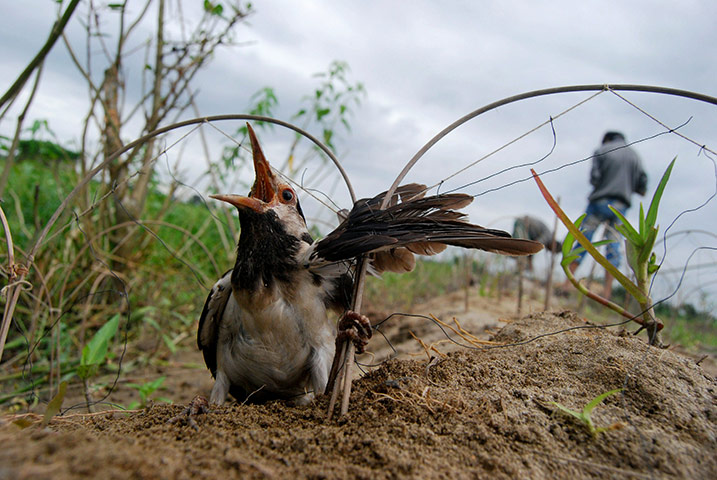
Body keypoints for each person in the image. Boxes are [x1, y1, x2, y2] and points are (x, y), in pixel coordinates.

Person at [567, 131, 647, 299]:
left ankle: (568, 283)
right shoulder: (635, 156)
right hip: (621, 205)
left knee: (584, 239)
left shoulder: (602, 150)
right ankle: (607, 291)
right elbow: (642, 184)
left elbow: (594, 179)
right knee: (613, 244)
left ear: (607, 139)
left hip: (599, 201)